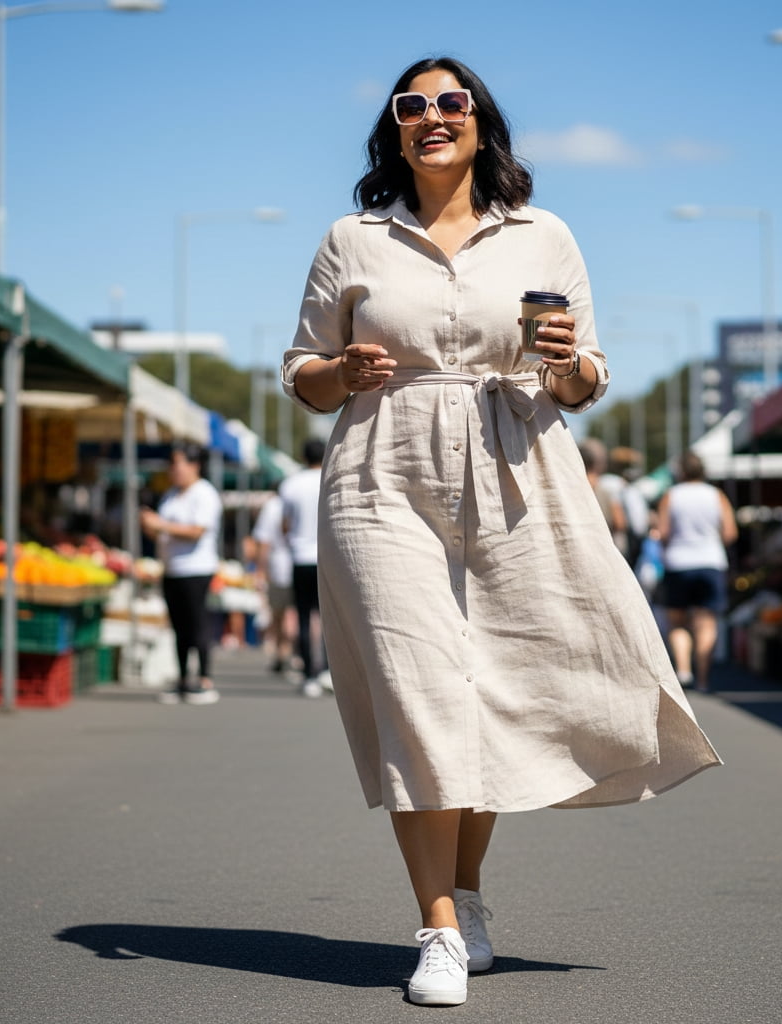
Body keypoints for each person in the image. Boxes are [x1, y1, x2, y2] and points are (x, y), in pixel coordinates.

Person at [282, 56, 720, 1008]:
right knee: (418, 693)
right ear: (395, 130)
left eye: (452, 103)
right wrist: (342, 371)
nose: (433, 117)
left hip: (517, 463)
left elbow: (583, 376)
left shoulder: (543, 233)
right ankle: (437, 927)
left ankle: (468, 893)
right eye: (414, 106)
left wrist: (568, 365)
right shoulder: (350, 238)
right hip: (380, 470)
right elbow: (302, 374)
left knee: (489, 692)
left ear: (482, 123)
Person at [140, 444, 223, 705]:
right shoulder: (170, 495)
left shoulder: (205, 494)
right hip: (172, 568)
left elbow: (197, 531)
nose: (174, 470)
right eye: (172, 464)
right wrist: (149, 526)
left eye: (179, 463)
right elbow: (161, 532)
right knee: (179, 627)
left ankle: (204, 678)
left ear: (194, 465)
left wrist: (161, 524)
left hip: (196, 568)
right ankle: (183, 677)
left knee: (196, 623)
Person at [656, 450, 737, 694]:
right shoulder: (716, 495)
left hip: (678, 563)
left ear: (680, 471)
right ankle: (703, 678)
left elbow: (663, 532)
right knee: (707, 623)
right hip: (710, 562)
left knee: (677, 622)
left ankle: (683, 670)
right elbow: (731, 533)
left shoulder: (671, 496)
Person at [279, 438, 329, 698]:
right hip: (327, 556)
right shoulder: (330, 477)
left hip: (300, 557)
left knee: (303, 617)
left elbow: (285, 524)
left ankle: (309, 673)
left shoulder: (291, 484)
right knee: (328, 618)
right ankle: (328, 670)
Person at [244, 492, 296, 674]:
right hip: (308, 563)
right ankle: (299, 654)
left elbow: (263, 541)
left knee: (280, 614)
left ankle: (283, 653)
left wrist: (260, 570)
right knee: (304, 614)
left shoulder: (273, 505)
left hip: (279, 568)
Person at [577, 437, 626, 541]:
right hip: (602, 546)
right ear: (599, 462)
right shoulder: (608, 488)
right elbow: (620, 523)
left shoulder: (571, 487)